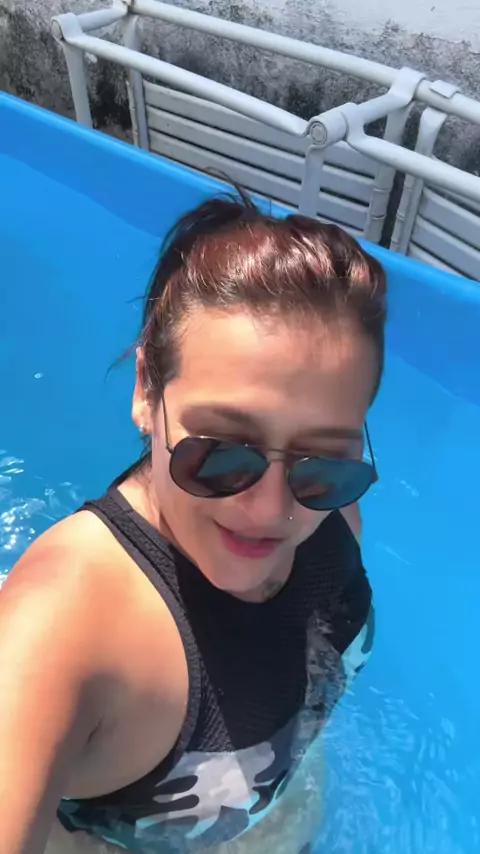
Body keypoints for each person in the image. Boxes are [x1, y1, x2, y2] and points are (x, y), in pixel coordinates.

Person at [0, 188, 385, 854]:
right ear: (145, 390)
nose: (271, 509)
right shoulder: (64, 631)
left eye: (322, 460)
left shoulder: (330, 506)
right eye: (221, 453)